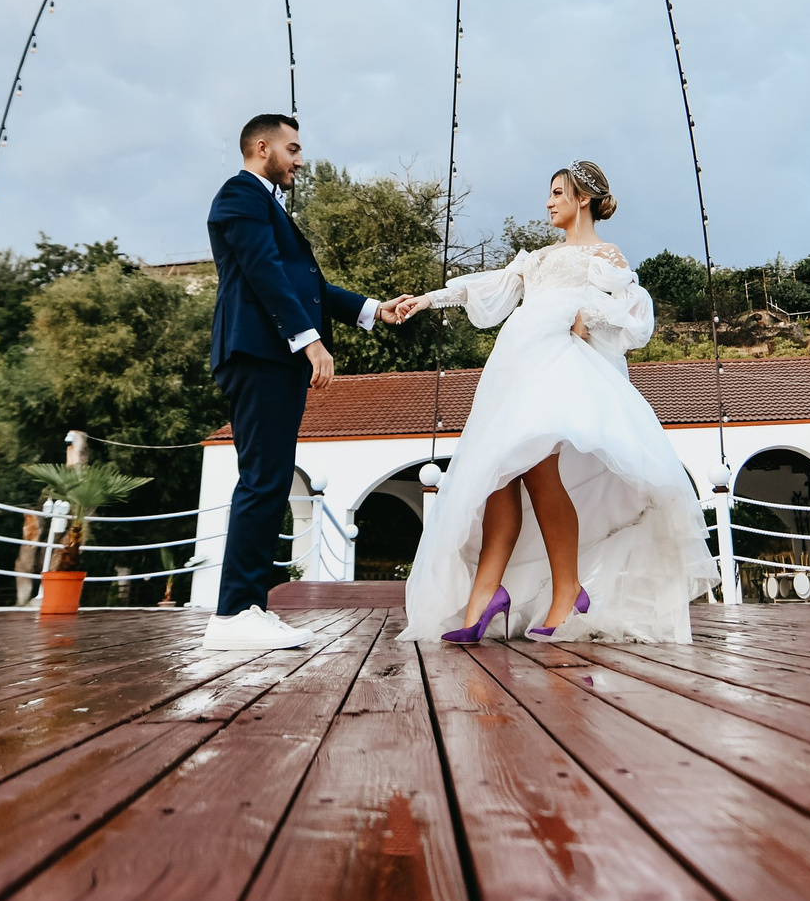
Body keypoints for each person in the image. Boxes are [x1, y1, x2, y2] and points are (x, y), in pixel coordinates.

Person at [381, 163, 719, 643]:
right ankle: (485, 597)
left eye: (558, 192)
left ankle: (567, 590)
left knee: (537, 468)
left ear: (583, 198)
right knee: (499, 472)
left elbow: (634, 315)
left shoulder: (604, 255)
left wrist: (588, 317)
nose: (548, 201)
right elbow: (489, 285)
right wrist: (430, 299)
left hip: (558, 366)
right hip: (514, 365)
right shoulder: (536, 258)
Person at [201, 113, 393, 651]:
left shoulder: (265, 204)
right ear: (262, 147)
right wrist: (309, 342)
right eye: (293, 148)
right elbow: (264, 271)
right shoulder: (240, 196)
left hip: (269, 357)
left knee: (270, 475)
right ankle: (235, 613)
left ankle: (250, 607)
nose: (300, 160)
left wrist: (375, 309)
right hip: (258, 353)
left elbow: (307, 282)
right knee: (264, 478)